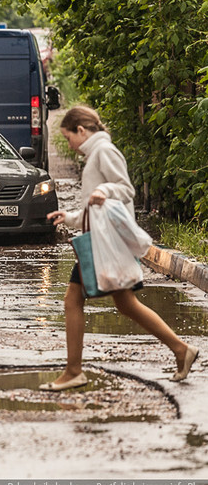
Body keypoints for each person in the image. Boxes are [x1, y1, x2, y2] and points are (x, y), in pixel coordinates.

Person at [41, 105, 199, 391]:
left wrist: (105, 191)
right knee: (125, 304)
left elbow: (125, 190)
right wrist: (71, 217)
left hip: (106, 243)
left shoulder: (104, 151)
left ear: (81, 129)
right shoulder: (95, 154)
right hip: (100, 241)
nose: (69, 145)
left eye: (68, 137)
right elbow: (95, 206)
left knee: (73, 301)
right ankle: (180, 349)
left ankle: (74, 371)